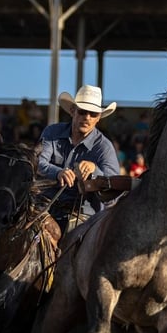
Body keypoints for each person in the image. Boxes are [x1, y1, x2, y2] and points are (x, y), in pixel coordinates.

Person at [37, 85, 121, 234]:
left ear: (98, 118)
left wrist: (95, 172)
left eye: (93, 114)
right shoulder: (51, 132)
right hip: (44, 208)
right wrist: (58, 173)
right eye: (82, 112)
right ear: (72, 111)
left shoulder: (105, 147)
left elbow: (112, 196)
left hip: (82, 217)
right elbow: (38, 163)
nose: (87, 117)